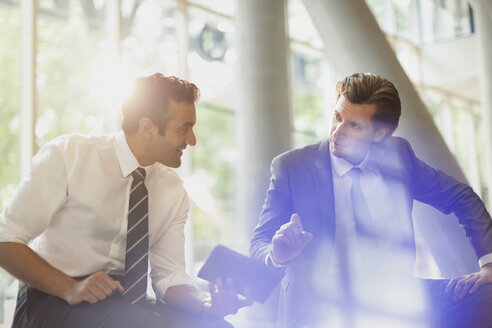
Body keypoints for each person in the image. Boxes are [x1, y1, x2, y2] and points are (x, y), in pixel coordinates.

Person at [0, 73, 250, 327]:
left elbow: (169, 275)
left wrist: (204, 305)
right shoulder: (68, 156)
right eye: (184, 129)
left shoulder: (173, 190)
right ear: (148, 128)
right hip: (53, 298)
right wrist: (71, 288)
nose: (192, 140)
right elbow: (5, 239)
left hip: (125, 305)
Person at [250, 72, 492, 328]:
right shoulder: (292, 167)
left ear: (379, 134)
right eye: (337, 117)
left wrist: (489, 264)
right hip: (322, 308)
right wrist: (277, 255)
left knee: (487, 297)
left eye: (354, 126)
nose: (337, 132)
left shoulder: (398, 155)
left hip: (393, 299)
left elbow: (461, 196)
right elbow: (259, 242)